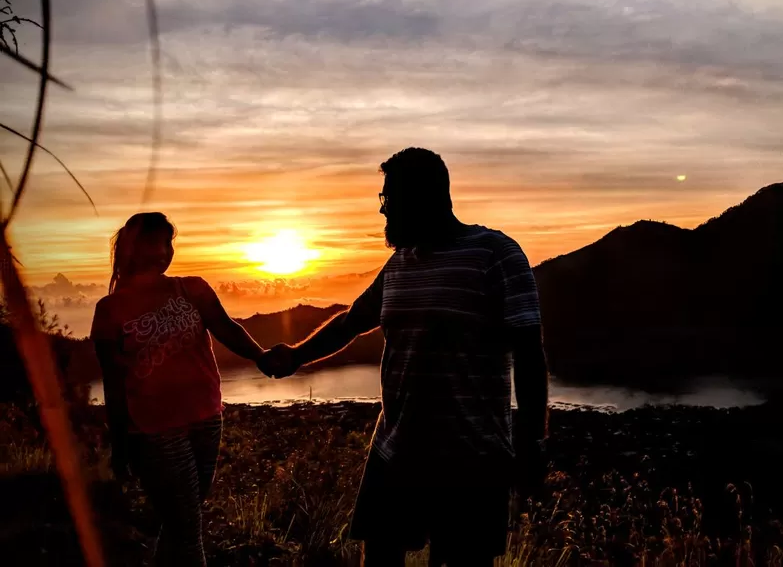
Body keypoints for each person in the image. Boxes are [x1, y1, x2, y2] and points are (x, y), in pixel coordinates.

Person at [260, 147, 550, 567]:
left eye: (389, 198)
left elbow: (529, 352)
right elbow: (352, 321)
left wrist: (533, 440)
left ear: (424, 196)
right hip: (395, 448)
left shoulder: (496, 254)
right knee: (378, 557)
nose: (383, 210)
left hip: (471, 459)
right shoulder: (400, 262)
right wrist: (296, 356)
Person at [92, 212, 266, 566]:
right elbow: (113, 382)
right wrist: (120, 445)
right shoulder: (109, 310)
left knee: (181, 522)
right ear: (133, 249)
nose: (163, 251)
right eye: (154, 243)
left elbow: (227, 328)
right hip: (154, 431)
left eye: (167, 243)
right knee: (187, 529)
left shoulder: (192, 288)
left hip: (207, 418)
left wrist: (264, 358)